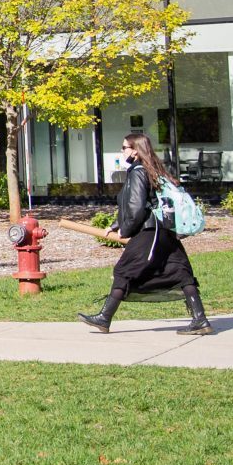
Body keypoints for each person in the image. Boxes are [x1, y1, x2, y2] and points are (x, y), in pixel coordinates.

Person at [78, 131, 210, 334]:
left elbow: (137, 207)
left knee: (124, 270)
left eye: (124, 148)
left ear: (135, 151)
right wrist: (115, 224)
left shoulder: (138, 171)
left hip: (150, 231)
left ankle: (104, 318)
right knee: (180, 270)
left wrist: (126, 228)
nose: (122, 152)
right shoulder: (154, 170)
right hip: (165, 231)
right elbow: (146, 203)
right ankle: (200, 319)